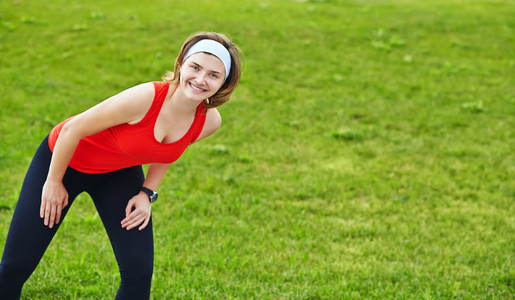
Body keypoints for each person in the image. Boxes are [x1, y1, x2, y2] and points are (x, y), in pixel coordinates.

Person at [0, 31, 242, 299]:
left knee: (137, 273)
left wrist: (147, 192)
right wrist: (53, 181)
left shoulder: (209, 120)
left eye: (213, 74)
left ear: (224, 83)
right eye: (195, 67)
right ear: (180, 65)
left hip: (118, 172)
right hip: (64, 161)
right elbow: (72, 129)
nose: (200, 79)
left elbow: (170, 150)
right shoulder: (146, 98)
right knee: (15, 267)